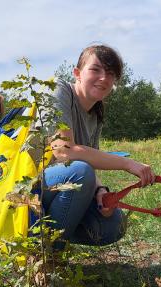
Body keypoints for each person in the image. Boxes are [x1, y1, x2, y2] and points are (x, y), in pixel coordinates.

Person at [39, 44, 155, 248]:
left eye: (110, 73)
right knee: (80, 173)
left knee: (113, 224)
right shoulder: (58, 90)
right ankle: (46, 256)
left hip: (59, 185)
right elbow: (63, 152)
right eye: (95, 69)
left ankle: (53, 235)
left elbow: (86, 162)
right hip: (26, 188)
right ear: (77, 73)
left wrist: (101, 191)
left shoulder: (96, 113)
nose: (104, 78)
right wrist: (127, 163)